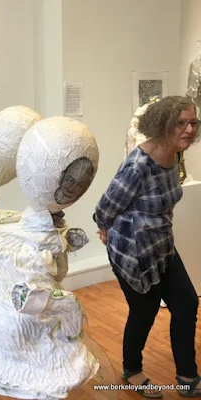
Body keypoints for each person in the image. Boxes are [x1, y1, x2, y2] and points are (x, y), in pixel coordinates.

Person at [94, 96, 201, 398]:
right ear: (163, 124)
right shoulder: (139, 165)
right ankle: (132, 369)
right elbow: (104, 208)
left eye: (193, 122)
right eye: (181, 122)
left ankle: (186, 375)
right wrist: (106, 230)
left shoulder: (175, 155)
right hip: (133, 252)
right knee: (145, 311)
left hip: (162, 244)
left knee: (187, 304)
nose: (189, 129)